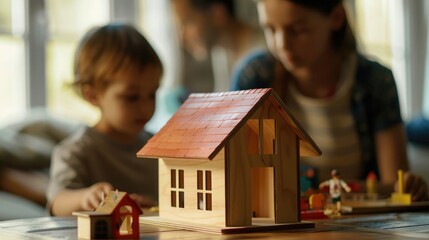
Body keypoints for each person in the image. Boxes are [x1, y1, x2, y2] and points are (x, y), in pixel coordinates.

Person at [231, 0, 428, 201]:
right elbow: (237, 170)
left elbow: (396, 186)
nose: (282, 44)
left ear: (336, 18)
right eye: (270, 29)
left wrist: (410, 189)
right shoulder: (254, 78)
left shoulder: (375, 82)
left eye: (297, 30)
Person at [46, 24, 162, 216]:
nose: (146, 107)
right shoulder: (75, 151)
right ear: (93, 96)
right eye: (131, 97)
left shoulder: (159, 149)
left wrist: (156, 208)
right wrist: (85, 197)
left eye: (152, 94)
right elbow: (57, 203)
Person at [171, 0, 265, 97]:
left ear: (217, 13)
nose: (182, 37)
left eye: (187, 22)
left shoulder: (263, 54)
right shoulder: (221, 52)